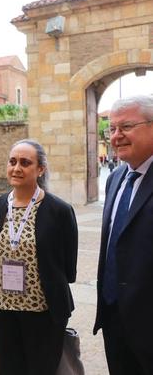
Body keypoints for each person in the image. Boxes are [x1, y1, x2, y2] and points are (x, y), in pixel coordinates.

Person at [0, 139, 78, 375]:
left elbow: (68, 267)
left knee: (41, 369)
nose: (17, 168)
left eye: (25, 163)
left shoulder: (60, 211)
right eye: (12, 162)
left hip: (43, 308)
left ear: (40, 169)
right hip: (2, 306)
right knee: (9, 368)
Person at [94, 95, 153, 375]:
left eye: (126, 126)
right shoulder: (116, 178)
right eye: (112, 129)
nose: (117, 136)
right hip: (114, 317)